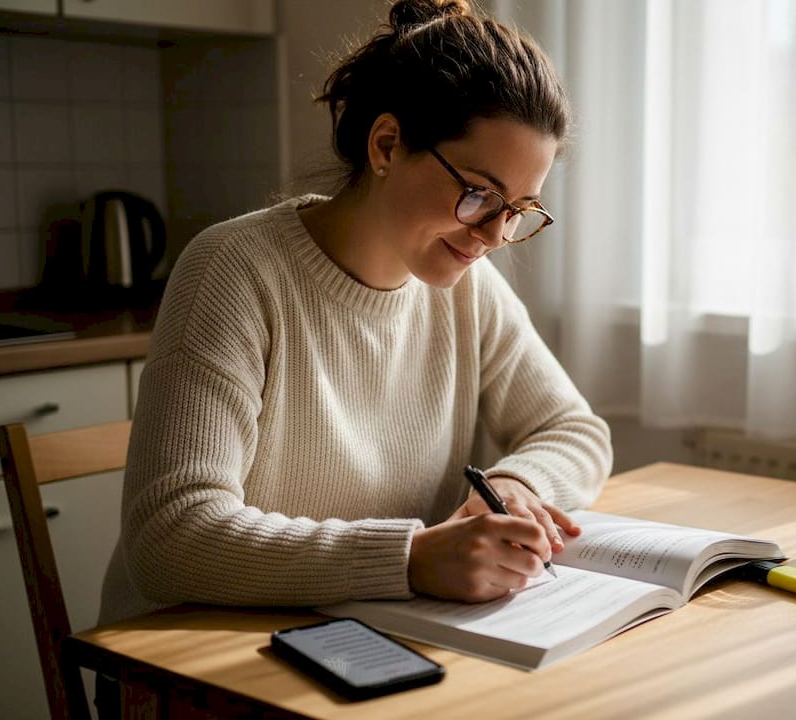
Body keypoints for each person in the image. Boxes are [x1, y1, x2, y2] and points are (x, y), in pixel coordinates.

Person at [98, 0, 610, 639]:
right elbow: (169, 538)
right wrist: (411, 558)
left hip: (366, 635)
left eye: (517, 209)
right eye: (478, 193)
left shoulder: (468, 287)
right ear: (387, 145)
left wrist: (511, 485)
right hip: (191, 658)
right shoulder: (234, 271)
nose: (492, 235)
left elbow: (577, 432)